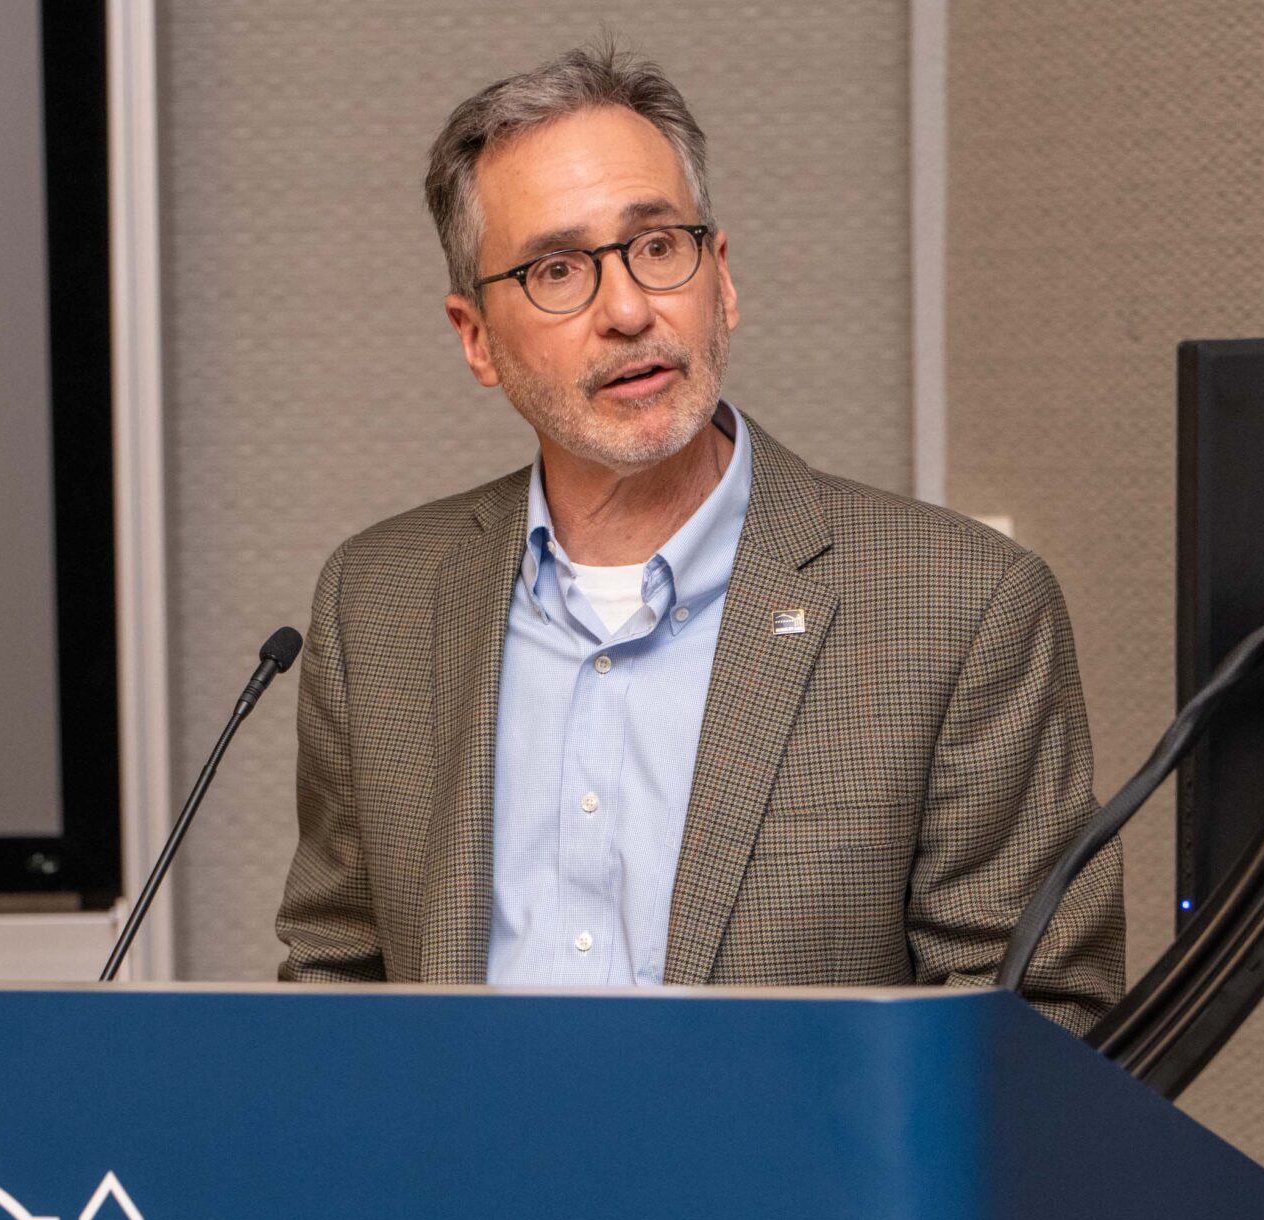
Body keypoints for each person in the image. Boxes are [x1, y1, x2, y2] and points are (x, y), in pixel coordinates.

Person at [275, 42, 1124, 1032]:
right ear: (476, 339)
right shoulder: (376, 603)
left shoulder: (958, 608)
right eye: (557, 270)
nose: (628, 310)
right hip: (462, 1184)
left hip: (798, 1188)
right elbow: (333, 975)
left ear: (719, 280)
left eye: (657, 247)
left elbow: (1030, 1030)